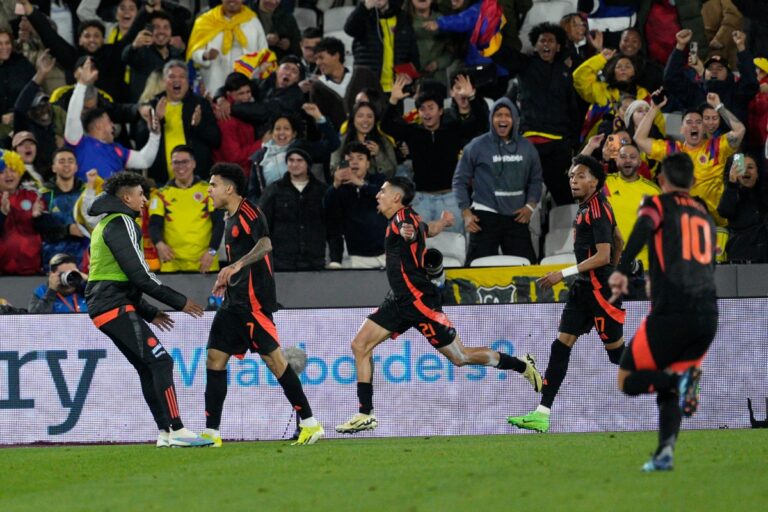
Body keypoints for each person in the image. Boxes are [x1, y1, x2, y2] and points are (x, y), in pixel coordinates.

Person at [335, 176, 542, 434]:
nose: (378, 194)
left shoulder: (403, 221)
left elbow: (409, 231)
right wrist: (443, 223)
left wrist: (408, 235)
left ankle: (522, 365)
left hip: (419, 302)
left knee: (461, 357)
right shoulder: (411, 218)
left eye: (384, 191)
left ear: (396, 198)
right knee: (359, 345)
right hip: (399, 301)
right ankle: (365, 414)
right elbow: (426, 229)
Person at [608, 152, 718, 472]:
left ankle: (680, 382)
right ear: (693, 181)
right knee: (669, 378)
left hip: (673, 310)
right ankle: (665, 451)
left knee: (628, 380)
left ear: (661, 180)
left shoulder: (657, 204)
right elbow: (706, 262)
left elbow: (644, 227)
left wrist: (622, 269)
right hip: (708, 313)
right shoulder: (705, 215)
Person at [85, 172, 211, 447]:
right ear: (127, 198)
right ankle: (177, 429)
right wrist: (179, 301)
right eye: (141, 194)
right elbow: (140, 276)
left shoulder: (106, 224)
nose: (144, 200)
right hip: (114, 305)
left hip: (107, 306)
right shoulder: (123, 223)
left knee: (147, 367)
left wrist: (147, 311)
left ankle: (165, 432)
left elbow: (119, 279)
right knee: (161, 361)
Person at [202, 163, 324, 446]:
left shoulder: (249, 212)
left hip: (254, 303)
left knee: (276, 362)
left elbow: (266, 244)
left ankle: (310, 423)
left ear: (229, 188)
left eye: (213, 185)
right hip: (234, 301)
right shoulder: (228, 217)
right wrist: (228, 277)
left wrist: (237, 265)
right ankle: (211, 433)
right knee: (214, 359)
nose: (209, 190)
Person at [508, 155, 624, 433]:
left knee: (617, 355)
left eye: (581, 175)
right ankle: (542, 413)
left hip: (600, 291)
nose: (574, 180)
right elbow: (619, 239)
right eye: (572, 175)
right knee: (560, 346)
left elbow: (603, 254)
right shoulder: (588, 207)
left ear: (595, 181)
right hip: (584, 288)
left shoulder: (597, 210)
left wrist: (564, 273)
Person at [383, 74, 484, 233]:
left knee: (454, 248)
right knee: (420, 249)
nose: (427, 113)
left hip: (451, 199)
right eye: (422, 109)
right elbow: (386, 125)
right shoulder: (413, 132)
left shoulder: (453, 130)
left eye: (431, 108)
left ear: (441, 110)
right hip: (420, 200)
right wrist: (393, 100)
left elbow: (481, 122)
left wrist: (472, 96)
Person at [634, 90, 746, 227]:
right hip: (684, 222)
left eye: (699, 122)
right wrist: (653, 108)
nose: (694, 125)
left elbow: (740, 130)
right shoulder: (672, 150)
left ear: (704, 129)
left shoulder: (716, 147)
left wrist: (718, 106)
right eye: (689, 122)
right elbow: (639, 139)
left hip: (717, 223)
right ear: (681, 129)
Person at [452, 97, 543, 264]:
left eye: (507, 115)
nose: (502, 119)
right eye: (498, 115)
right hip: (484, 216)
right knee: (475, 270)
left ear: (515, 119)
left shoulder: (527, 147)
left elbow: (536, 180)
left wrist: (530, 206)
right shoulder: (476, 146)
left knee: (528, 268)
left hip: (517, 216)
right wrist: (466, 213)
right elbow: (459, 181)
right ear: (491, 118)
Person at [65, 57, 160, 181]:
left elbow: (144, 160)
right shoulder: (79, 143)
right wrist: (82, 84)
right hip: (88, 198)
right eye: (109, 122)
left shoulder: (118, 149)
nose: (113, 126)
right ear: (98, 125)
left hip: (116, 199)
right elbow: (73, 117)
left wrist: (155, 135)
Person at [137, 60, 221, 185]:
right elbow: (140, 141)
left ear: (187, 81)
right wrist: (156, 121)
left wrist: (198, 126)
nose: (177, 80)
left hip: (198, 181)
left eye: (182, 76)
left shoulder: (200, 104)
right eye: (172, 76)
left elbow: (216, 139)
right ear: (164, 81)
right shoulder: (153, 105)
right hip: (163, 182)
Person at [149, 145, 224, 273]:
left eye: (185, 162)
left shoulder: (209, 191)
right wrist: (159, 244)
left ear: (194, 164)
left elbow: (219, 223)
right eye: (176, 162)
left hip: (205, 263)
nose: (180, 166)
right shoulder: (160, 195)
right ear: (171, 165)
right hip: (172, 264)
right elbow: (154, 225)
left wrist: (212, 251)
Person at [259, 142, 329, 271]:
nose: (294, 164)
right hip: (281, 262)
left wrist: (335, 258)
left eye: (299, 160)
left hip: (314, 261)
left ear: (308, 163)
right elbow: (262, 225)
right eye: (291, 160)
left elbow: (331, 226)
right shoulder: (274, 190)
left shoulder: (321, 191)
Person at [325, 142, 388, 269]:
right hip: (354, 256)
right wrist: (335, 185)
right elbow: (327, 209)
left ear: (368, 164)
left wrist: (361, 184)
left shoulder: (379, 180)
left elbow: (386, 197)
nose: (354, 162)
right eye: (350, 159)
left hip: (383, 254)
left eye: (360, 158)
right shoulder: (338, 188)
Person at [187, 0, 268, 94]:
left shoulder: (253, 21)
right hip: (214, 83)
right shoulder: (205, 20)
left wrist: (263, 67)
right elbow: (194, 52)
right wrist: (205, 55)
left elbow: (264, 52)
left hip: (245, 86)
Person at [604, 143, 661, 270]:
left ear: (640, 161)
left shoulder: (653, 191)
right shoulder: (605, 184)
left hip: (644, 266)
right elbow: (574, 175)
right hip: (609, 265)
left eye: (632, 156)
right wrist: (591, 146)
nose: (627, 160)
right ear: (616, 160)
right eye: (623, 156)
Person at [344, 0, 420, 93]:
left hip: (396, 89)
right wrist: (365, 6)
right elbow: (350, 29)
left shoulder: (402, 17)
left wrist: (411, 77)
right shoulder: (364, 15)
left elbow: (412, 51)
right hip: (369, 89)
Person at [38, 147, 89, 269]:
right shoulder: (43, 194)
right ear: (53, 167)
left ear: (76, 167)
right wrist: (67, 230)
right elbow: (41, 229)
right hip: (53, 256)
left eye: (70, 161)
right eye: (61, 161)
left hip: (84, 257)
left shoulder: (87, 192)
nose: (66, 164)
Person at [717, 152, 768, 262]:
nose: (746, 171)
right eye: (741, 168)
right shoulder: (732, 194)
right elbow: (724, 211)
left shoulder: (764, 195)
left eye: (750, 167)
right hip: (741, 256)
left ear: (758, 174)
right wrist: (732, 184)